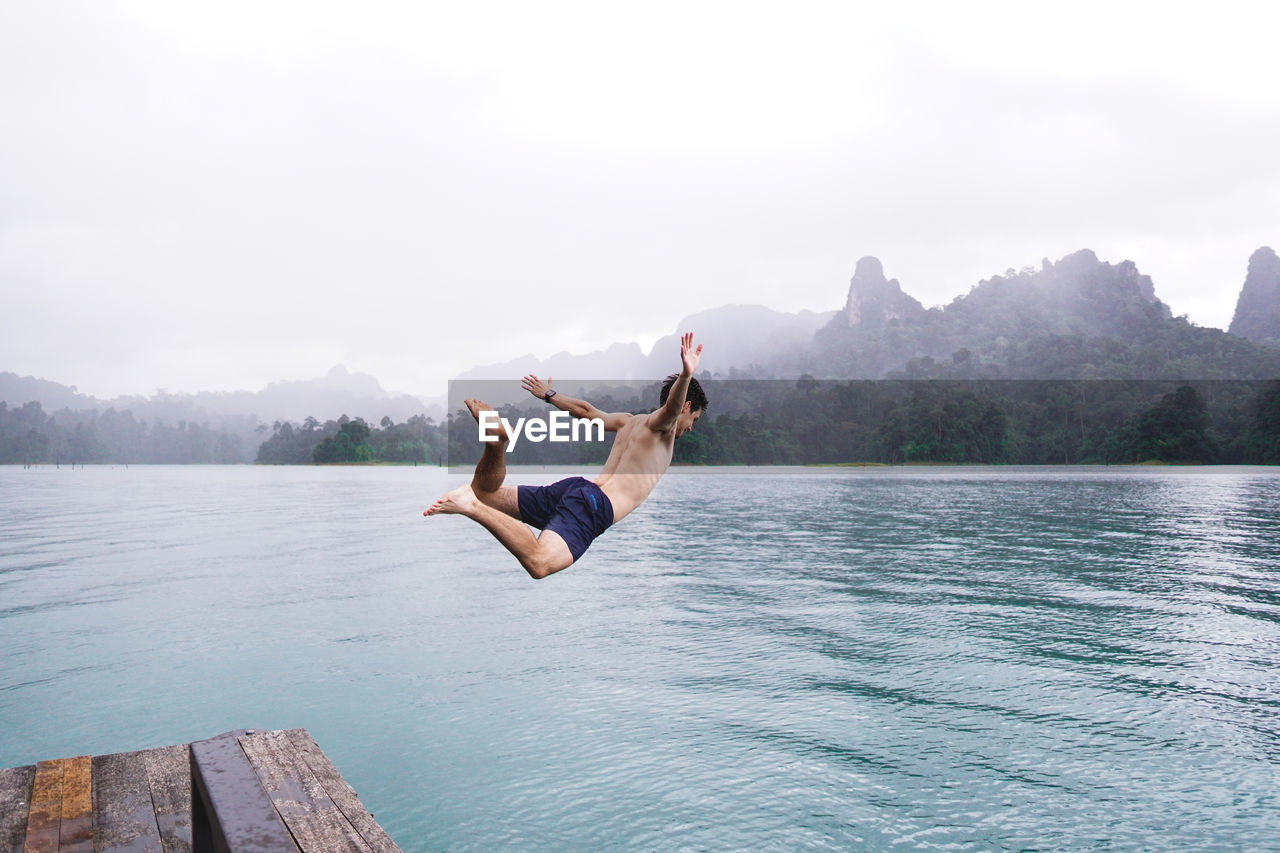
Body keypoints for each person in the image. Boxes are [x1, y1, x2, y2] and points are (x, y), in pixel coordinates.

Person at [425, 332, 707, 579]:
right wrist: (685, 375)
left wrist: (550, 395)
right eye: (693, 418)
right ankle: (469, 506)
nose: (692, 427)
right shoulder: (663, 428)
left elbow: (586, 412)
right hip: (595, 507)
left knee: (483, 492)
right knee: (540, 562)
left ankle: (496, 440)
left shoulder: (628, 421)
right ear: (686, 406)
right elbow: (671, 410)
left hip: (576, 490)